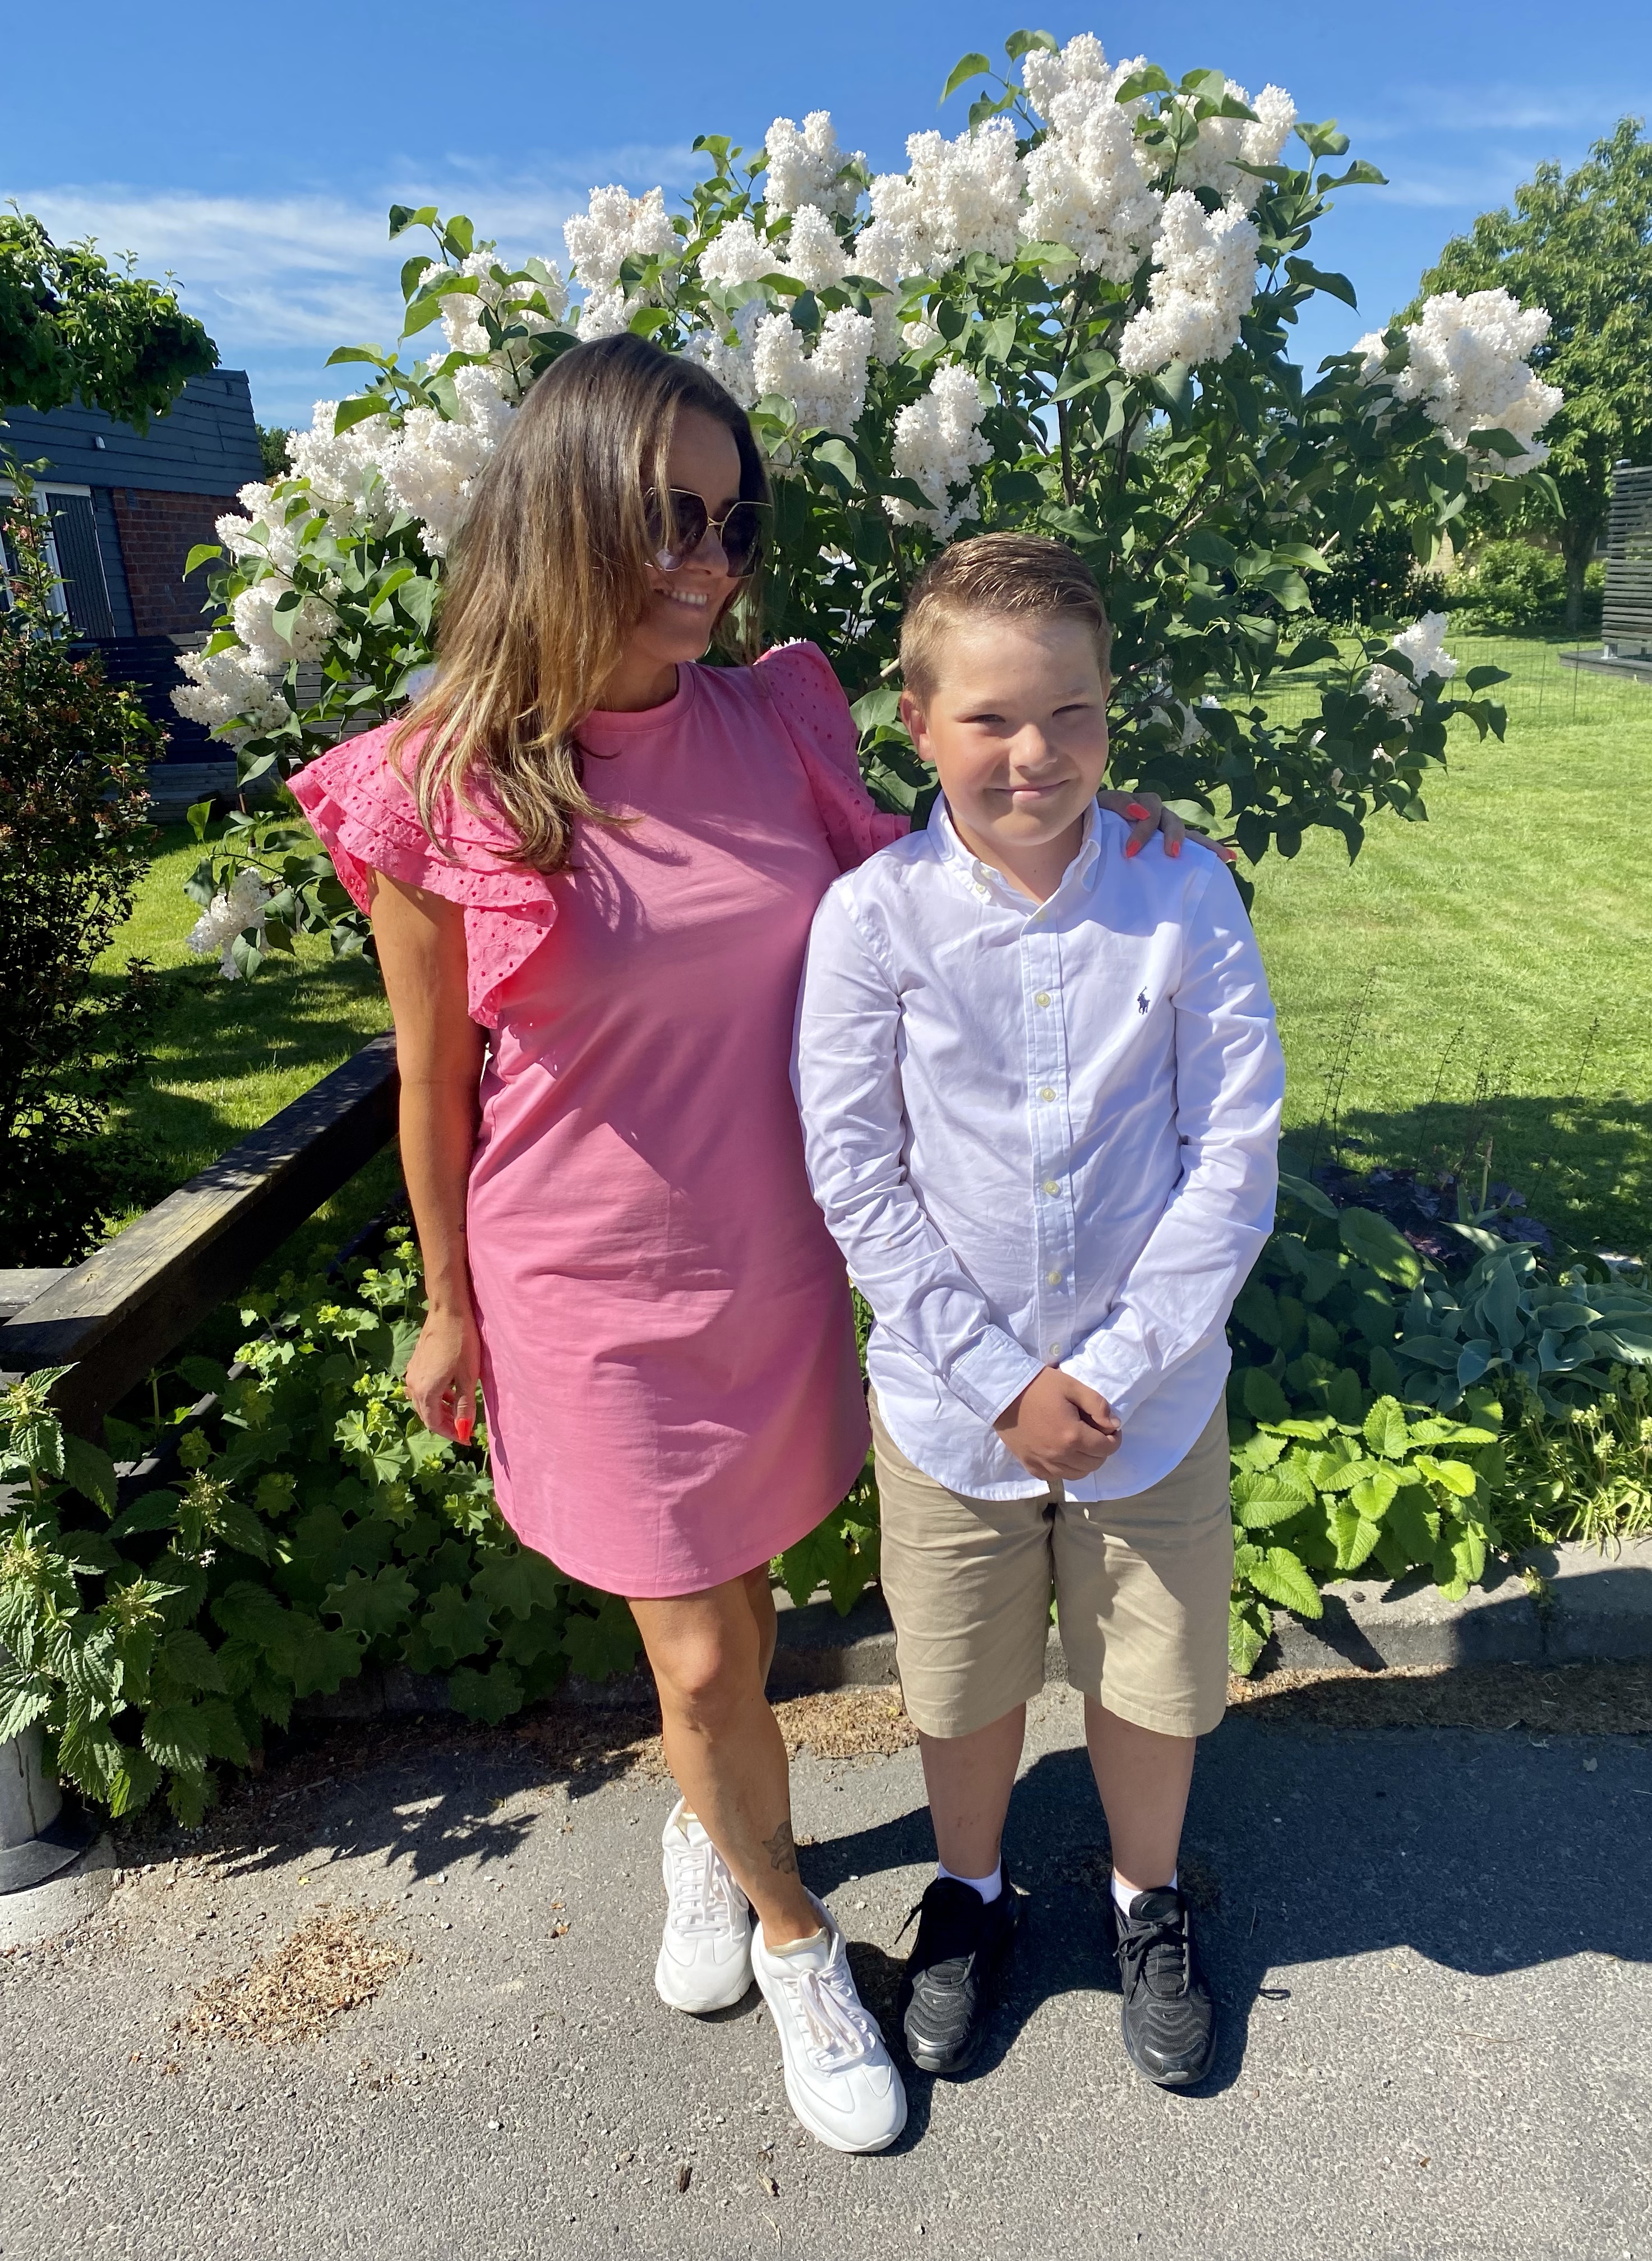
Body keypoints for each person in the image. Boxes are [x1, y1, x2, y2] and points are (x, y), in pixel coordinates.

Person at [292, 338, 1194, 2154]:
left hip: (780, 1262)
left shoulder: (775, 720)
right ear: (564, 509)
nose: (708, 559)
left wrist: (1111, 832)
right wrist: (448, 1308)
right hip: (586, 1289)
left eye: (732, 519)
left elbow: (926, 878)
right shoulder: (439, 783)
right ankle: (794, 1938)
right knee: (703, 1658)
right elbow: (432, 1088)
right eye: (667, 517)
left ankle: (713, 1827)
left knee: (742, 1597)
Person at [794, 533, 1284, 2088]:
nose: (1037, 752)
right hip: (955, 1401)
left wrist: (1119, 1366)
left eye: (1072, 713)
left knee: (1152, 1669)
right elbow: (856, 1171)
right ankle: (972, 1888)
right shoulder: (873, 921)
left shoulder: (1182, 891)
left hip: (1155, 1395)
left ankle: (1149, 1897)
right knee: (961, 1677)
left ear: (1110, 710)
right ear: (916, 722)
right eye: (993, 717)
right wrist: (1005, 1380)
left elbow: (1234, 1152)